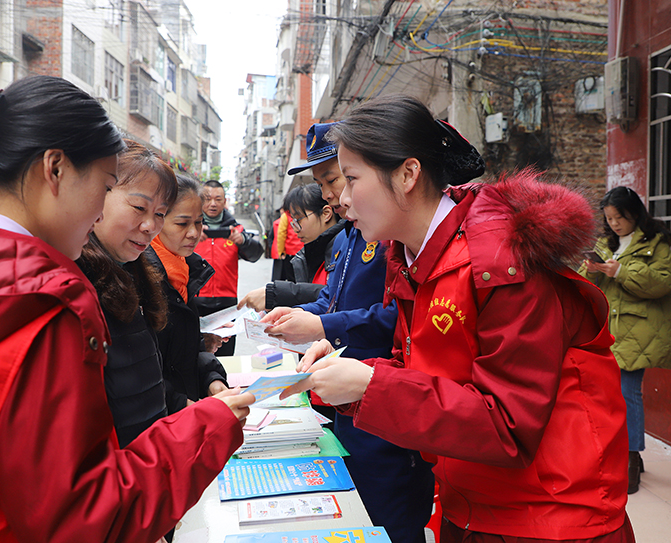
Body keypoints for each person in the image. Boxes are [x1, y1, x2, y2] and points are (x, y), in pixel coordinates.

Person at [0, 76, 253, 543]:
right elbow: (81, 519)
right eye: (106, 186)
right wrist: (204, 428)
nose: (99, 211)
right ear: (54, 168)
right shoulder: (43, 306)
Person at [283, 95, 633, 543]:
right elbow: (429, 379)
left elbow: (508, 425)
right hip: (472, 505)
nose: (342, 200)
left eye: (350, 179)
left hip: (551, 518)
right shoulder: (414, 259)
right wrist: (354, 375)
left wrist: (369, 385)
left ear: (408, 174)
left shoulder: (504, 262)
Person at [258, 122, 433, 543]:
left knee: (390, 516)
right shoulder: (347, 238)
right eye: (326, 184)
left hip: (389, 399)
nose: (332, 195)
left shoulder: (393, 237)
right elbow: (334, 302)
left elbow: (397, 319)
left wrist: (323, 325)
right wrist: (299, 316)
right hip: (349, 399)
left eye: (338, 179)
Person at [76, 140, 178, 448]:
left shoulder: (134, 270)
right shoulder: (77, 282)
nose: (150, 226)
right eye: (139, 208)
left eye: (161, 213)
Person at [580, 186, 671, 495]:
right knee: (609, 394)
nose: (615, 223)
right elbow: (585, 283)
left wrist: (619, 270)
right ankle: (625, 451)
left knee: (628, 392)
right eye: (609, 218)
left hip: (639, 330)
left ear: (635, 213)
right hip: (608, 330)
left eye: (620, 217)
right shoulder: (606, 243)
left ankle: (631, 458)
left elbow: (662, 282)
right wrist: (592, 270)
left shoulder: (657, 243)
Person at [145, 174, 229, 415]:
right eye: (182, 224)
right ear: (157, 220)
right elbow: (142, 368)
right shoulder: (142, 277)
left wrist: (211, 380)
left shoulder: (184, 271)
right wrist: (180, 403)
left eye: (199, 222)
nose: (194, 233)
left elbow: (182, 353)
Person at [239, 183, 342, 311]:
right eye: (293, 221)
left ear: (326, 213)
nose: (295, 230)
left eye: (299, 219)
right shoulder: (309, 254)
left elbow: (334, 297)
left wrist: (278, 294)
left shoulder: (345, 248)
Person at [193, 179, 263, 355]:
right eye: (207, 199)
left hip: (227, 305)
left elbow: (256, 254)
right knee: (194, 354)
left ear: (225, 202)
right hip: (196, 303)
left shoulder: (236, 229)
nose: (213, 204)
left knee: (224, 355)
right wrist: (191, 236)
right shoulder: (190, 228)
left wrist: (244, 241)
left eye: (218, 199)